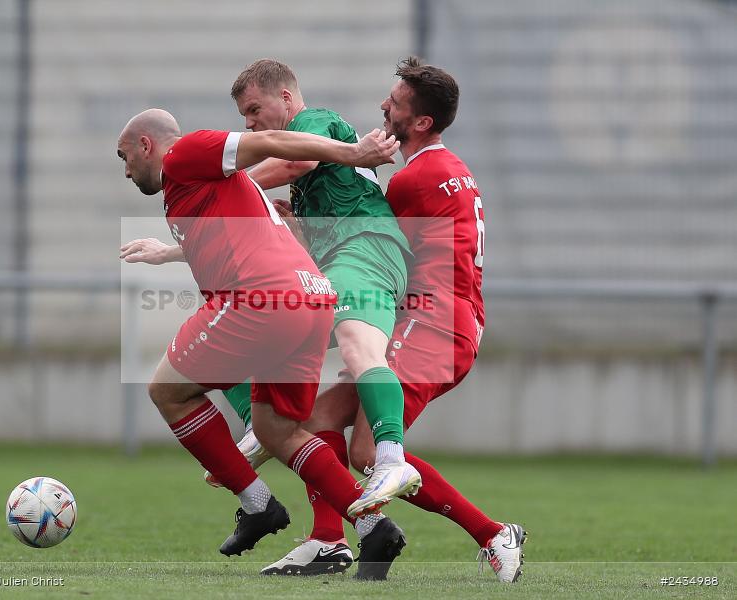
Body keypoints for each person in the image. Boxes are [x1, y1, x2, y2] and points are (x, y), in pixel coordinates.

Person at [258, 58, 527, 582]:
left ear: (421, 122)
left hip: (436, 323)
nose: (385, 106)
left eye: (397, 103)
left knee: (367, 450)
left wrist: (301, 217)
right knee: (316, 423)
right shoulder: (445, 169)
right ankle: (328, 540)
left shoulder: (414, 178)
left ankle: (494, 533)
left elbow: (369, 241)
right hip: (438, 318)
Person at [117, 108, 406, 580]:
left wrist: (353, 153)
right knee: (278, 429)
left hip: (260, 298)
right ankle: (374, 526)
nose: (126, 170)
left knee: (167, 391)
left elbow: (272, 140)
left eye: (124, 156)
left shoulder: (185, 155)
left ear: (147, 145)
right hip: (311, 298)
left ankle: (258, 505)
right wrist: (166, 253)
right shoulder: (203, 188)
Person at [216, 59, 422, 519]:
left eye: (254, 110)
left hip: (366, 249)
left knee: (357, 346)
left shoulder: (313, 121)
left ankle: (392, 459)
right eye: (244, 116)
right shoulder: (310, 177)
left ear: (286, 98)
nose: (249, 124)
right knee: (243, 327)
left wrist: (226, 186)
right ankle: (260, 429)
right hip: (337, 263)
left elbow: (296, 160)